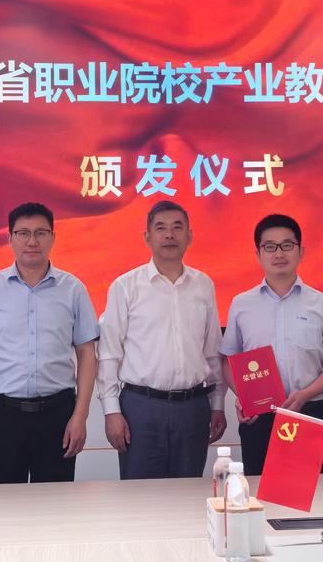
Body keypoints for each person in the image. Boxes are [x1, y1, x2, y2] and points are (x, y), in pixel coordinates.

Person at [0, 202, 98, 483]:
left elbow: (87, 354)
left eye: (40, 233)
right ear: (9, 238)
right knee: (1, 503)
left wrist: (80, 416)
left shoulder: (73, 289)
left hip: (58, 414)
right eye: (23, 233)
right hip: (2, 415)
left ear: (53, 237)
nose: (32, 241)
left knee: (54, 503)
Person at [97, 200, 227, 479]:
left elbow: (212, 351)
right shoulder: (125, 286)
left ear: (189, 236)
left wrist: (217, 404)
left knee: (188, 492)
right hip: (141, 407)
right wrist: (111, 412)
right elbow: (109, 354)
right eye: (161, 228)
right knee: (141, 495)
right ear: (147, 237)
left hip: (193, 408)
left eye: (177, 227)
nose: (170, 234)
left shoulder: (203, 285)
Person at [220, 214, 323, 475]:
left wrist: (305, 394)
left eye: (287, 245)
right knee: (258, 490)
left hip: (308, 412)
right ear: (258, 254)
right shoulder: (241, 303)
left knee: (311, 492)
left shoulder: (322, 303)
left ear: (301, 252)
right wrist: (244, 397)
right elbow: (228, 360)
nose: (279, 253)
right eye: (270, 246)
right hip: (259, 416)